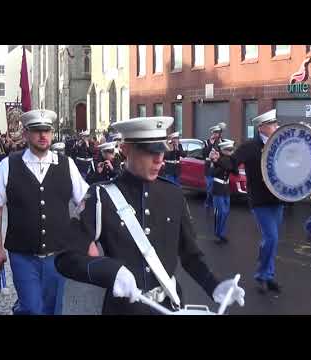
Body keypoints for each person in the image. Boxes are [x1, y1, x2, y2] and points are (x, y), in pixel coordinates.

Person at [54, 116, 245, 315]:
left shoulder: (173, 194)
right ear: (125, 149)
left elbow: (191, 255)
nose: (159, 159)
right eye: (149, 151)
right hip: (123, 310)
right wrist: (109, 270)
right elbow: (65, 257)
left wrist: (214, 285)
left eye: (161, 150)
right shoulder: (100, 196)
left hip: (168, 306)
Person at [0, 109, 89, 315]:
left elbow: (84, 202)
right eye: (37, 130)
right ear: (26, 133)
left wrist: (84, 238)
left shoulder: (67, 164)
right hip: (23, 256)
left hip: (59, 255)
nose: (43, 135)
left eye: (47, 130)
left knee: (53, 308)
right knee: (33, 308)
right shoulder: (8, 165)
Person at [212, 109, 283, 294]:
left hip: (278, 199)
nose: (277, 126)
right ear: (262, 127)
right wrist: (219, 159)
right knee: (271, 237)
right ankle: (263, 275)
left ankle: (268, 274)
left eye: (276, 123)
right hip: (260, 201)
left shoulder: (279, 143)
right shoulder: (250, 146)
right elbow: (233, 162)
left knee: (271, 240)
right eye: (273, 124)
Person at [210, 140, 236, 245]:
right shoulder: (218, 160)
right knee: (220, 212)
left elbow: (234, 170)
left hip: (226, 188)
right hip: (218, 188)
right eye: (228, 150)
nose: (230, 152)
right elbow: (212, 173)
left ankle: (222, 233)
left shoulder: (225, 160)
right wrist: (214, 162)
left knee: (226, 212)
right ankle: (218, 234)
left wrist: (218, 161)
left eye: (231, 150)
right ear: (223, 150)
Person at [203, 123, 226, 209]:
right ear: (212, 133)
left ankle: (215, 203)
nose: (216, 134)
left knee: (217, 188)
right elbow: (204, 154)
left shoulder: (223, 143)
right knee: (210, 188)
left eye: (218, 133)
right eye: (214, 133)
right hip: (209, 168)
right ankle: (208, 202)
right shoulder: (207, 142)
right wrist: (211, 144)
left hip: (219, 168)